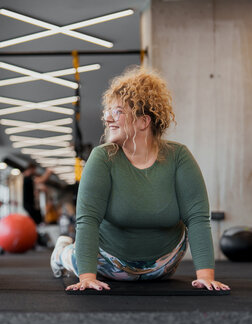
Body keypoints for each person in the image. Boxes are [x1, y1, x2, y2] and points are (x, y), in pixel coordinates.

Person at [51, 66, 229, 292]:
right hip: (107, 263)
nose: (107, 118)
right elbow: (88, 219)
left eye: (117, 112)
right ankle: (62, 251)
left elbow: (197, 218)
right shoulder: (103, 158)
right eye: (107, 111)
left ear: (143, 121)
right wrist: (86, 277)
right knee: (71, 256)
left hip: (163, 267)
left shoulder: (179, 157)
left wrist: (205, 276)